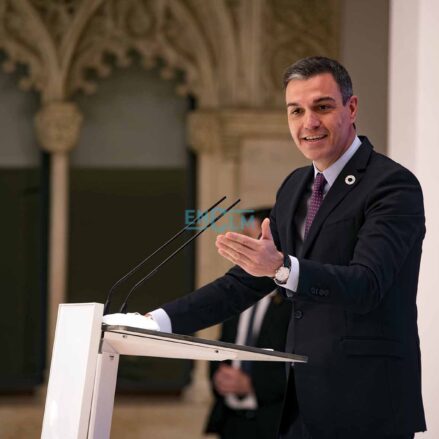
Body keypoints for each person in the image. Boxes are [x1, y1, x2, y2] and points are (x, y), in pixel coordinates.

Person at [147, 56, 426, 438]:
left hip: (367, 407)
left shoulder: (392, 186)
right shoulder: (295, 186)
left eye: (322, 107)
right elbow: (243, 283)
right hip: (299, 410)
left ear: (352, 107)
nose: (308, 123)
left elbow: (367, 284)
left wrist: (282, 269)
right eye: (296, 111)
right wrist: (158, 322)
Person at [205, 209, 292, 439]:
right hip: (231, 424)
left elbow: (302, 366)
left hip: (276, 424)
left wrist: (252, 384)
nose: (243, 247)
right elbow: (222, 344)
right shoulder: (236, 294)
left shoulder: (295, 300)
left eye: (250, 239)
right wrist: (218, 377)